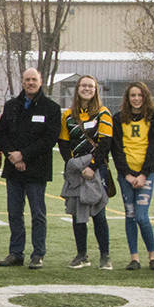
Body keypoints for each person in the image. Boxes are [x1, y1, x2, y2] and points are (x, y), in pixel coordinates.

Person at [0, 67, 61, 269]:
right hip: (14, 168)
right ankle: (16, 253)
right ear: (22, 82)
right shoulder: (11, 106)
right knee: (14, 212)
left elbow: (49, 139)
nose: (30, 83)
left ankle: (38, 253)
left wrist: (23, 155)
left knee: (38, 213)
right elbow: (1, 135)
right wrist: (13, 156)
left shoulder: (51, 108)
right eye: (27, 79)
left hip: (36, 169)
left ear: (40, 81)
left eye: (34, 79)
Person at [58, 75, 113, 270]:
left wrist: (92, 166)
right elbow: (64, 143)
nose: (87, 89)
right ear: (77, 88)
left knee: (99, 214)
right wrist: (75, 166)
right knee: (77, 214)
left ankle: (105, 256)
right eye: (83, 85)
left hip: (96, 170)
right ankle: (82, 254)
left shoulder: (103, 113)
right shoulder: (68, 115)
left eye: (91, 86)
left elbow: (105, 143)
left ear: (96, 90)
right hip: (76, 171)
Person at [111, 83, 154, 271]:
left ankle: (153, 256)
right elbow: (116, 149)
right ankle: (134, 258)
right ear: (127, 98)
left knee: (142, 216)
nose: (136, 99)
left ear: (145, 97)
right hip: (126, 176)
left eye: (139, 95)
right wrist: (126, 174)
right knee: (130, 215)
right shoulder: (118, 119)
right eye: (132, 95)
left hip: (145, 175)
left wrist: (143, 174)